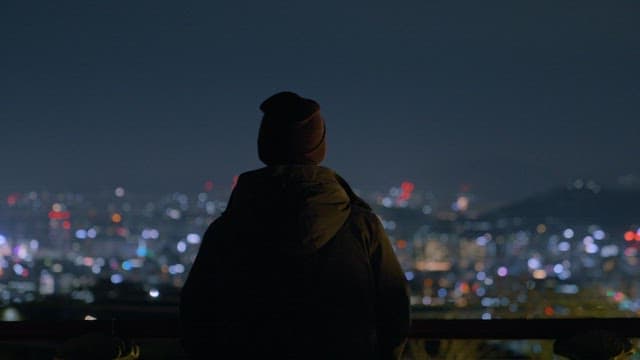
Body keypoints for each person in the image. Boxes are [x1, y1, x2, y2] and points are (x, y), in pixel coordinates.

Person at [179, 91, 410, 359]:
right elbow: (394, 310)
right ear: (319, 147)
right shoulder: (361, 227)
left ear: (264, 145)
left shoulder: (228, 229)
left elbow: (196, 315)